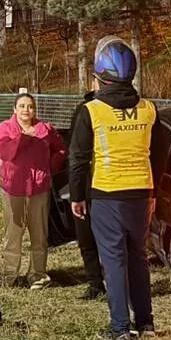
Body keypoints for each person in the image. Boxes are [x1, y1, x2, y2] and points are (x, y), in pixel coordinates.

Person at [66, 36, 157, 340]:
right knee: (138, 256)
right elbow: (157, 154)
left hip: (107, 193)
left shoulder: (91, 111)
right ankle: (145, 322)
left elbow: (78, 159)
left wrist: (77, 196)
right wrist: (155, 193)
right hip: (142, 192)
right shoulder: (148, 109)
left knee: (114, 261)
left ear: (100, 77)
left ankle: (120, 327)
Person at [0, 92, 66, 289]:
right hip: (14, 188)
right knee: (13, 233)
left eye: (30, 106)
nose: (27, 110)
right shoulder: (4, 128)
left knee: (39, 233)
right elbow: (4, 152)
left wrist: (50, 167)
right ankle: (9, 275)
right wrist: (23, 137)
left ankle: (37, 274)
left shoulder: (45, 129)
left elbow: (60, 149)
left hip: (39, 188)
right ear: (14, 109)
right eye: (22, 106)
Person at [70, 81, 106, 299]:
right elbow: (75, 153)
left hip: (111, 183)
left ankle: (116, 282)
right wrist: (76, 192)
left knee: (111, 239)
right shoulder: (84, 110)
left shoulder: (127, 108)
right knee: (86, 237)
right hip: (86, 182)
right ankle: (95, 282)